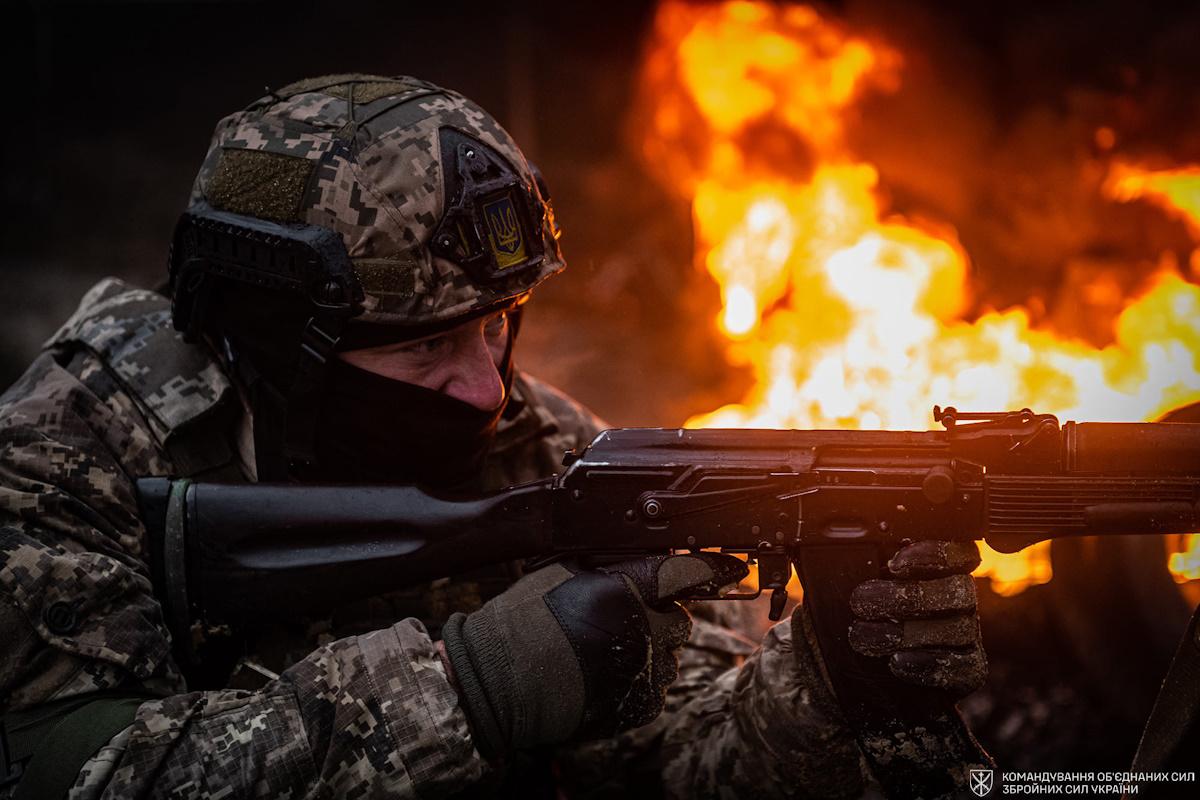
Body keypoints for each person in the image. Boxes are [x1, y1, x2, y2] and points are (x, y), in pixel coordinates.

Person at [0, 74, 987, 799]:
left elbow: (670, 768)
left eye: (500, 321)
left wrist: (826, 680)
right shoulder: (68, 454)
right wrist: (474, 686)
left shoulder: (551, 447)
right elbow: (61, 766)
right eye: (428, 342)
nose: (484, 385)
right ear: (279, 343)